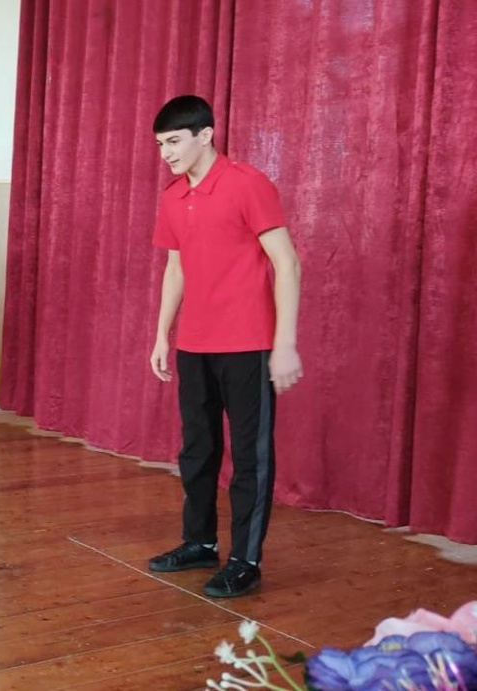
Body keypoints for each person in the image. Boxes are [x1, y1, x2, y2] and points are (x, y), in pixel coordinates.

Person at [147, 95, 303, 598]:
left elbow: (287, 263)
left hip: (248, 342)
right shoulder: (173, 196)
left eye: (174, 142)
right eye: (160, 145)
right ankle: (199, 543)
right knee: (197, 449)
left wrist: (285, 343)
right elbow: (175, 268)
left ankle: (245, 561)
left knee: (250, 457)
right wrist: (162, 334)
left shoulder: (247, 184)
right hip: (195, 343)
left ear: (206, 135)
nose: (167, 153)